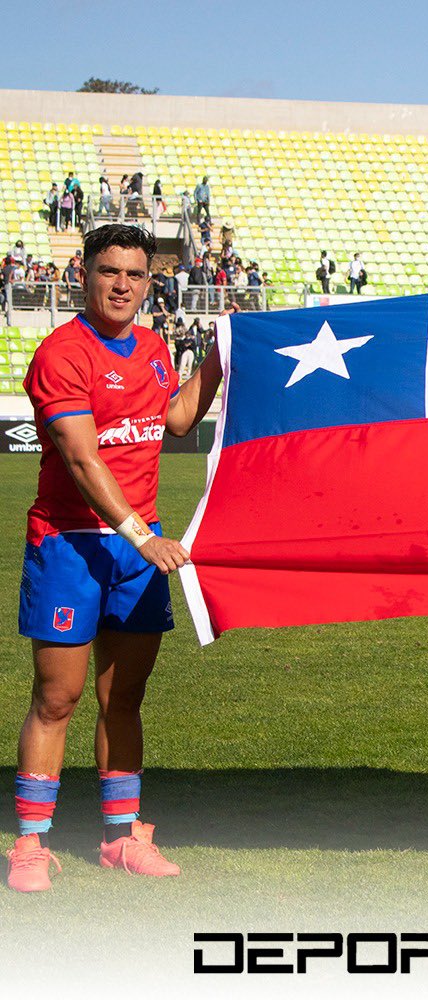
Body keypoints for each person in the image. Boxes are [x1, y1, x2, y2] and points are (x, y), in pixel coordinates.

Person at [6, 224, 223, 893]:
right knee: (58, 696)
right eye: (110, 272)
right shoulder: (62, 353)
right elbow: (80, 458)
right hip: (71, 545)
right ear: (84, 275)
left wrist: (217, 358)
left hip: (135, 552)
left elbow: (180, 419)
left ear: (148, 282)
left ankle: (119, 837)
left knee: (122, 698)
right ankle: (31, 847)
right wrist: (140, 535)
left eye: (135, 274)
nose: (123, 285)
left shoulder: (155, 348)